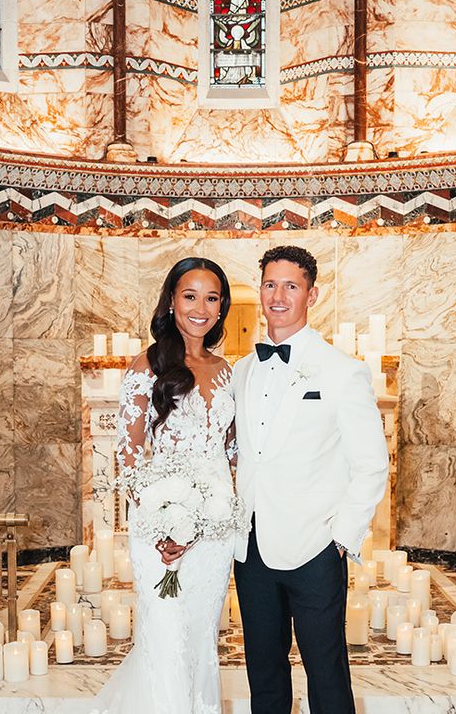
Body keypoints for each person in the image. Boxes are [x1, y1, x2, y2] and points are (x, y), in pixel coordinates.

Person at [233, 244, 389, 714]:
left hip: (315, 547)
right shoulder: (242, 370)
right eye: (270, 284)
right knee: (263, 669)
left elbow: (372, 463)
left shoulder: (342, 371)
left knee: (326, 672)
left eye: (291, 286)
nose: (278, 296)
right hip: (252, 546)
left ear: (312, 294)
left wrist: (341, 538)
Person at [90, 257, 240, 714]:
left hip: (215, 528)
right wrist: (161, 526)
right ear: (171, 302)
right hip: (161, 531)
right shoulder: (147, 365)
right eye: (190, 295)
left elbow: (231, 452)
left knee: (199, 637)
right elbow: (129, 452)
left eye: (211, 298)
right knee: (167, 636)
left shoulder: (226, 369)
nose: (201, 307)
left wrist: (226, 507)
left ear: (221, 307)